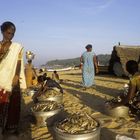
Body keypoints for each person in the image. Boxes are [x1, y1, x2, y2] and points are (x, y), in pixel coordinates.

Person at [0, 21, 26, 134]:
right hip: (1, 79)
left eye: (13, 34)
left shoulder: (17, 47)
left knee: (13, 104)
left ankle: (11, 128)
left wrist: (16, 75)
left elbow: (19, 61)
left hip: (12, 78)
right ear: (3, 32)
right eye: (8, 33)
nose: (10, 36)